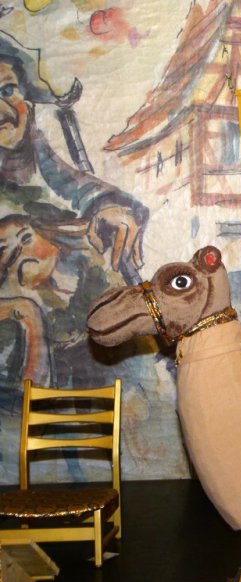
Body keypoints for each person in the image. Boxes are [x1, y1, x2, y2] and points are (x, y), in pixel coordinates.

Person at [0, 30, 148, 397]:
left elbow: (75, 184)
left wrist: (106, 206)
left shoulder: (31, 148)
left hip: (77, 336)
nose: (3, 109)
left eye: (8, 90)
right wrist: (22, 313)